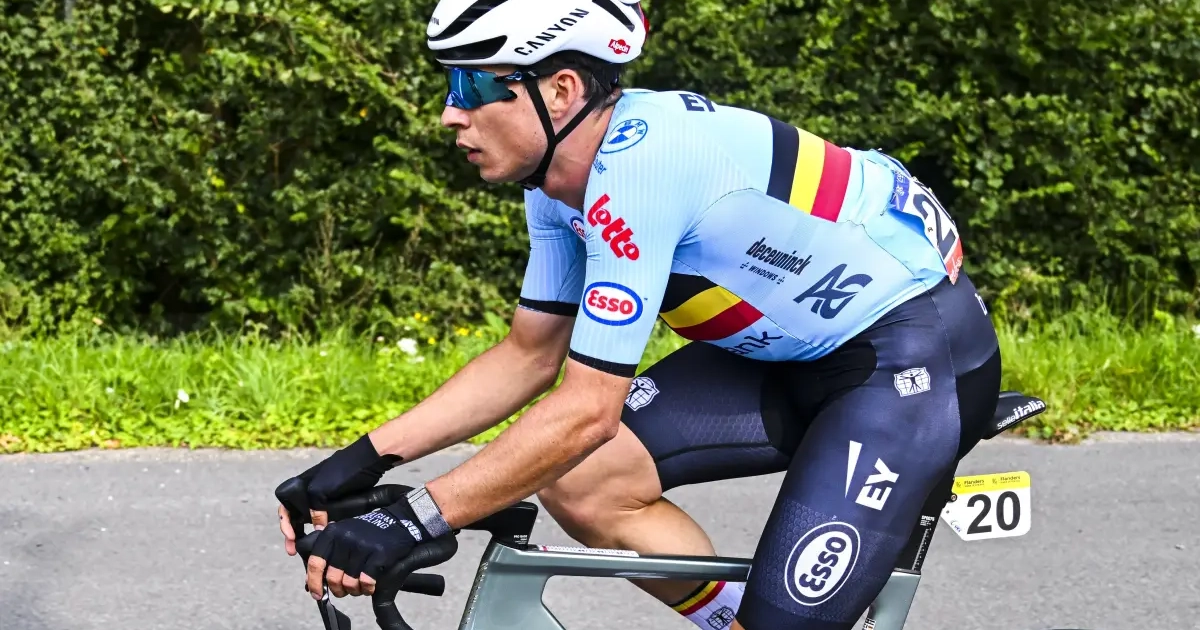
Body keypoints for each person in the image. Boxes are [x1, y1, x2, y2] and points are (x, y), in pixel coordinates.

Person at [276, 1, 1003, 629]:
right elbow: (529, 356)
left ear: (560, 90)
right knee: (584, 482)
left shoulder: (642, 166)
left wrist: (414, 517)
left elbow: (587, 411)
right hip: (791, 352)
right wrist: (358, 462)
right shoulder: (557, 183)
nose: (450, 111)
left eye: (473, 84)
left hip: (909, 358)